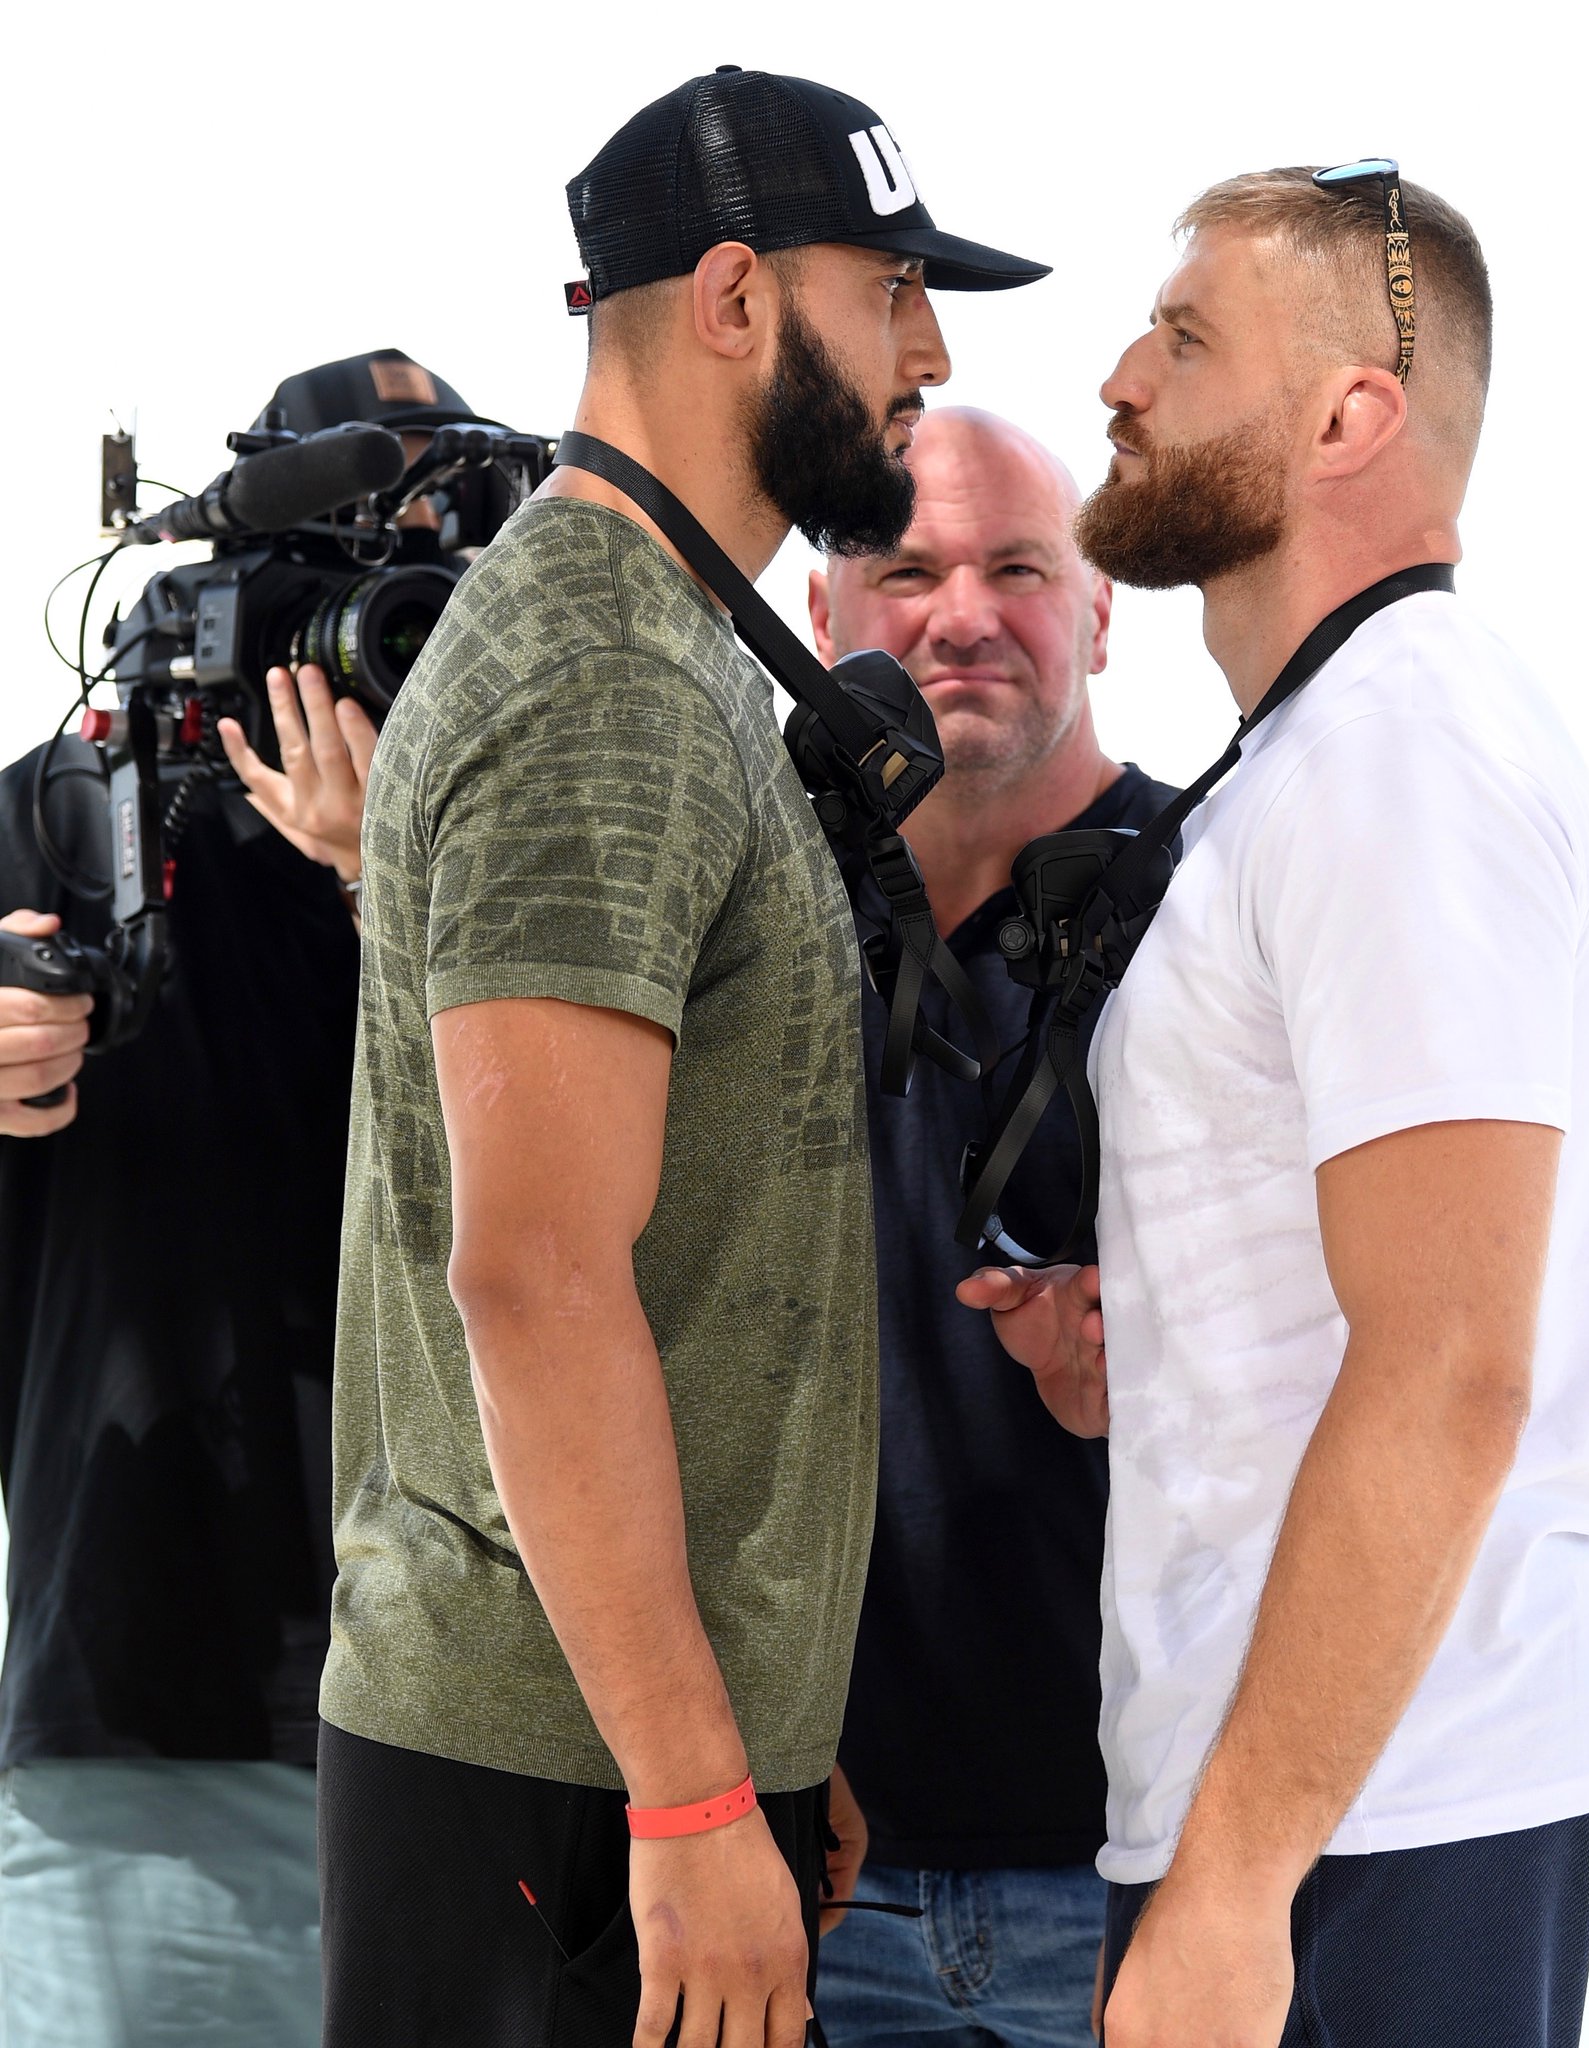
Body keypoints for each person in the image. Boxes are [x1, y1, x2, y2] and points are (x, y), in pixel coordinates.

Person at [315, 70, 1046, 2048]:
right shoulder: (603, 676)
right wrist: (694, 1785)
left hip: (621, 1753)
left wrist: (752, 1740)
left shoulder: (677, 647)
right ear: (732, 297)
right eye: (889, 290)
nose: (932, 351)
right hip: (554, 1775)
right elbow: (532, 1274)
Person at [965, 162, 1589, 2047]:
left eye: (1185, 340)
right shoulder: (1312, 761)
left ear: (1354, 413)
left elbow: (1450, 1368)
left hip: (1377, 1827)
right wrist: (1136, 1351)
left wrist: (1242, 1884)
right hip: (1301, 1807)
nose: (1118, 375)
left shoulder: (1403, 759)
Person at [0, 348, 471, 2046]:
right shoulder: (66, 828)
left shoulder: (534, 864)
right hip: (159, 1730)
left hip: (488, 1738)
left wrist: (386, 881)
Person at [803, 407, 1175, 2047]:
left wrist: (1151, 1354)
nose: (963, 614)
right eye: (906, 571)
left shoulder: (1219, 890)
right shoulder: (750, 919)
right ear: (823, 623)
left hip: (1153, 1872)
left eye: (1020, 567)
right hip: (813, 1869)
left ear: (1100, 607)